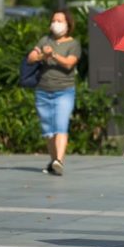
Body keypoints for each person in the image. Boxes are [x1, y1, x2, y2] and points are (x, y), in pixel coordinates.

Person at [27, 10, 81, 176]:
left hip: (64, 91)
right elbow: (30, 58)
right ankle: (53, 161)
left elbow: (69, 64)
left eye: (59, 20)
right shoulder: (45, 40)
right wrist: (42, 55)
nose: (55, 23)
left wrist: (54, 55)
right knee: (48, 130)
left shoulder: (73, 44)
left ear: (67, 24)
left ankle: (59, 160)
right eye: (53, 20)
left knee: (60, 125)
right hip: (43, 91)